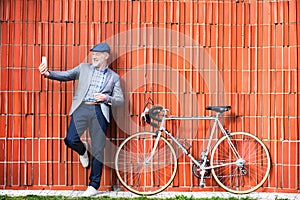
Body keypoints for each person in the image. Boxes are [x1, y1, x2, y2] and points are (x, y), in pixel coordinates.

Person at [38, 43, 124, 197]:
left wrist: (107, 97)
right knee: (70, 139)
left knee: (98, 149)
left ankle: (93, 186)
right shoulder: (83, 68)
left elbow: (120, 100)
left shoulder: (114, 77)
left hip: (99, 111)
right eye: (93, 53)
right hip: (82, 108)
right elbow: (66, 75)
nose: (94, 56)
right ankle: (83, 150)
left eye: (98, 54)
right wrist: (48, 73)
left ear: (106, 56)